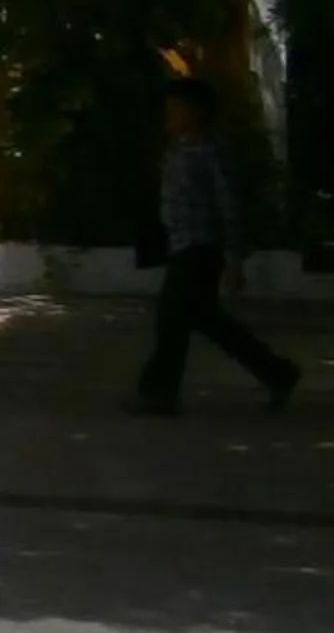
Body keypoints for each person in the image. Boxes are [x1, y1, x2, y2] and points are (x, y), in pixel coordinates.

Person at [131, 78, 301, 415]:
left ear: (198, 112)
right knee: (207, 320)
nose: (170, 117)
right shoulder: (175, 150)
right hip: (180, 246)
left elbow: (229, 205)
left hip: (202, 247)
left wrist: (234, 260)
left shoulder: (213, 151)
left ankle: (159, 393)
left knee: (171, 317)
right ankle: (278, 372)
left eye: (177, 110)